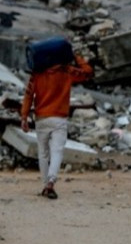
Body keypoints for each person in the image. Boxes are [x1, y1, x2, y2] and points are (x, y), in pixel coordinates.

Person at [20, 50, 93, 199]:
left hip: (41, 118)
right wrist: (76, 57)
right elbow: (88, 72)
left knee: (43, 153)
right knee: (57, 151)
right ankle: (50, 183)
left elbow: (28, 96)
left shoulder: (37, 74)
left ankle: (45, 184)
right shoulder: (67, 71)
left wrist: (24, 116)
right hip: (59, 118)